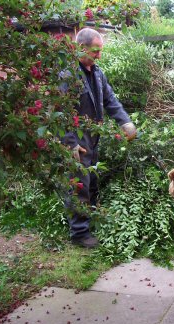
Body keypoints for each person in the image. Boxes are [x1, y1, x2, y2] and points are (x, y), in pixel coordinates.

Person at [61, 28, 136, 248]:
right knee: (79, 186)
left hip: (93, 138)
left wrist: (126, 122)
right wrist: (70, 143)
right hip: (78, 140)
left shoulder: (97, 73)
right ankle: (79, 234)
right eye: (95, 51)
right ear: (81, 48)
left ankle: (89, 223)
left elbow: (111, 101)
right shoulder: (67, 75)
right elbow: (59, 110)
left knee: (91, 183)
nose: (99, 55)